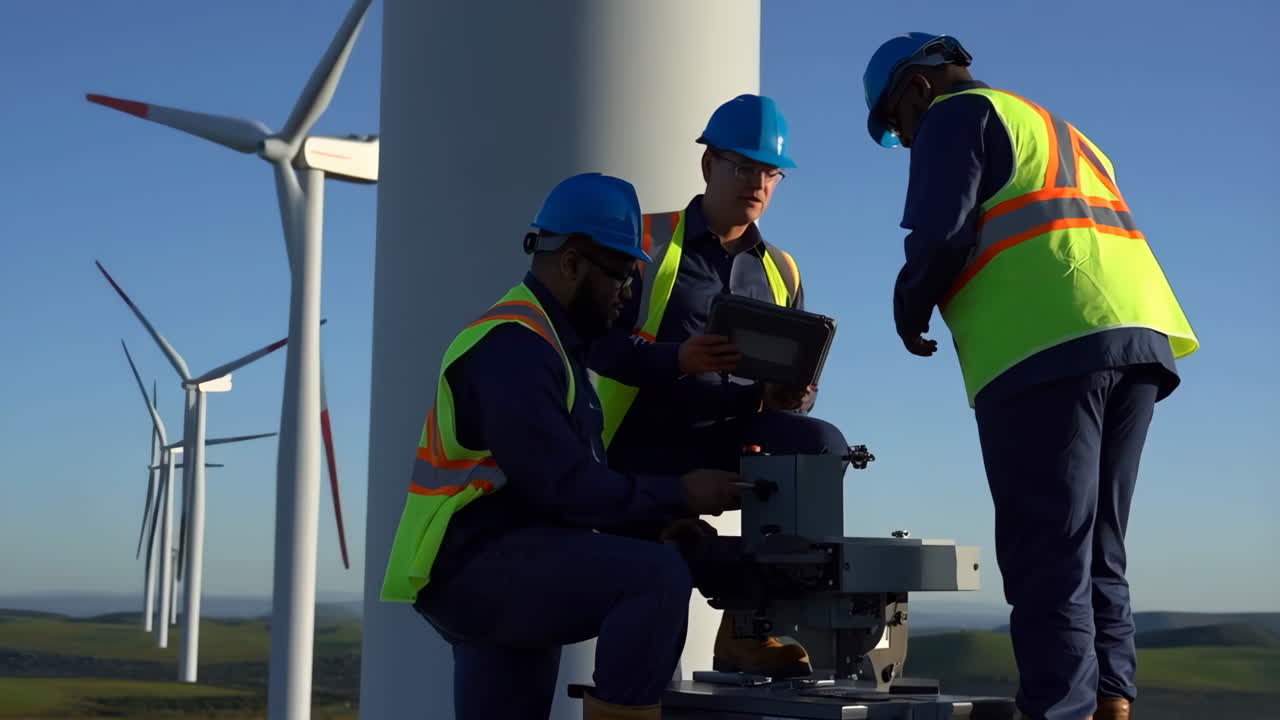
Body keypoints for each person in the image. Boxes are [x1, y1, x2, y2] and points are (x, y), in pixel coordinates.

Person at [862, 33, 1199, 720]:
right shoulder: (1054, 128)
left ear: (915, 90)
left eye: (897, 129)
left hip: (1044, 344)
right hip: (1135, 336)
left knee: (1047, 550)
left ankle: (1059, 709)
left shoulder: (956, 116)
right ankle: (1112, 699)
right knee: (1097, 542)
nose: (905, 140)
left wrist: (908, 308)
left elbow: (939, 230)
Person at [380, 173, 744, 720]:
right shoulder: (515, 347)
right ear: (571, 263)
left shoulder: (552, 342)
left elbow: (564, 482)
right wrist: (682, 494)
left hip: (499, 559)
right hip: (480, 563)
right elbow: (565, 486)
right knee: (656, 576)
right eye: (620, 276)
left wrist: (658, 521)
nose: (627, 297)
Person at [589, 94, 849, 679]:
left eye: (769, 172)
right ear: (709, 166)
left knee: (820, 443)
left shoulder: (783, 270)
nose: (757, 183)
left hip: (732, 431)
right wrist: (677, 358)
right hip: (641, 441)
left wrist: (790, 398)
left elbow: (796, 384)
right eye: (743, 167)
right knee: (656, 591)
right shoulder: (647, 243)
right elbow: (598, 346)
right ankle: (639, 689)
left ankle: (750, 627)